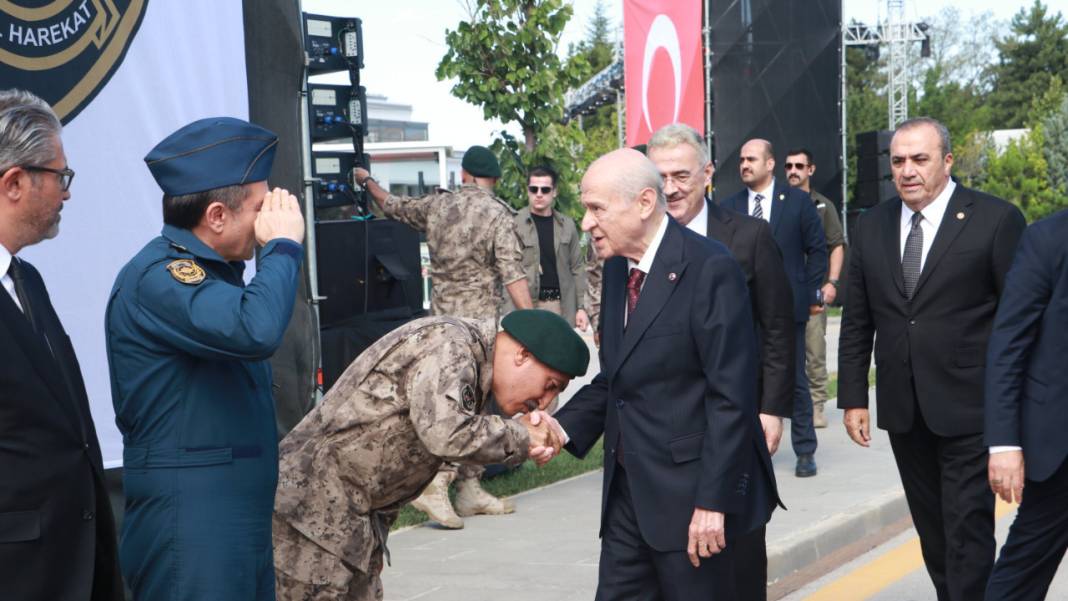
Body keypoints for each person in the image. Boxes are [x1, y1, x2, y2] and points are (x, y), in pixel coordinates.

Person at [542, 148, 779, 600]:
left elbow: (731, 397)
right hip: (628, 498)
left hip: (694, 502)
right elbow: (617, 377)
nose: (587, 223)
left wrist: (713, 501)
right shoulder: (615, 270)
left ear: (645, 203)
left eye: (596, 209)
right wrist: (559, 427)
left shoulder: (711, 268)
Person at [106, 117, 306, 601]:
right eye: (259, 209)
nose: (266, 221)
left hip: (230, 522)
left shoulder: (216, 276)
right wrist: (281, 248)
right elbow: (254, 329)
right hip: (193, 527)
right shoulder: (160, 276)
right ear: (216, 216)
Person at [273, 309, 586, 601]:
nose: (544, 403)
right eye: (549, 386)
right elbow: (446, 432)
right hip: (310, 517)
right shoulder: (452, 345)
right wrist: (520, 436)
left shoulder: (474, 364)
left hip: (347, 522)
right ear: (522, 355)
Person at [837, 117, 1025, 601]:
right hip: (904, 410)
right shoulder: (871, 224)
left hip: (971, 411)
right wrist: (853, 396)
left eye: (919, 159)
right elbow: (859, 317)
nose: (907, 171)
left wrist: (1017, 418)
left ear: (947, 160)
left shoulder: (994, 219)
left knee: (967, 533)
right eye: (898, 161)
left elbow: (1018, 323)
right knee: (935, 535)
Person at [647, 123, 795, 601]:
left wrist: (772, 408)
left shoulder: (749, 236)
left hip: (738, 416)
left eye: (681, 175)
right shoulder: (644, 245)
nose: (670, 188)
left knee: (740, 554)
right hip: (673, 432)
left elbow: (776, 327)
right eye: (660, 175)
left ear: (708, 173)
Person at [353, 146, 533, 528]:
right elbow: (512, 273)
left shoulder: (438, 207)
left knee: (450, 404)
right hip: (479, 328)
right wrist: (532, 321)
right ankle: (438, 484)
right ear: (494, 180)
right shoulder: (496, 213)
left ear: (464, 174)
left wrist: (366, 180)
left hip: (440, 324)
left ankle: (468, 490)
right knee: (470, 409)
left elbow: (391, 204)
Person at [0, 89, 123, 601]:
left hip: (73, 562)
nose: (66, 193)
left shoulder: (26, 279)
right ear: (13, 183)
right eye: (59, 176)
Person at [720, 139, 827, 477]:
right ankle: (750, 448)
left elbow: (817, 249)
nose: (744, 165)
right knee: (744, 380)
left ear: (770, 164)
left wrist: (811, 294)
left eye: (751, 159)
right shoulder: (729, 205)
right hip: (741, 312)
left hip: (786, 310)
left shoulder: (797, 201)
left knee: (793, 379)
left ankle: (805, 450)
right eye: (741, 160)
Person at [984, 208, 1068, 601]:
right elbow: (1008, 345)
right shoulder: (1048, 237)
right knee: (1017, 582)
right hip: (1060, 449)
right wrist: (1004, 443)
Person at [785, 148, 845, 428]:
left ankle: (817, 404)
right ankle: (782, 406)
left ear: (811, 170)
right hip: (781, 291)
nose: (793, 171)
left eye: (799, 165)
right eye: (788, 166)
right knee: (779, 351)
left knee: (814, 347)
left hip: (813, 289)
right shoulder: (777, 203)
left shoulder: (822, 205)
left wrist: (831, 283)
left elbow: (836, 245)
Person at [506, 165, 589, 330]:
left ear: (554, 192)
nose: (539, 194)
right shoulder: (513, 223)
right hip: (525, 305)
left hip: (559, 305)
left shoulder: (567, 225)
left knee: (560, 354)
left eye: (545, 189)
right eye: (533, 189)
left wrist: (581, 308)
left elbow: (578, 268)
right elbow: (506, 270)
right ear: (527, 191)